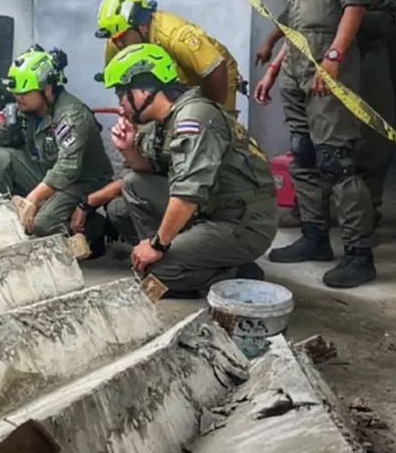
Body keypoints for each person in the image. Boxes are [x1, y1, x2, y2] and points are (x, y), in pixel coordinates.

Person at [249, 0, 376, 288]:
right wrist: (273, 68)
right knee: (303, 154)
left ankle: (359, 254)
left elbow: (354, 5)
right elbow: (297, 25)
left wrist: (336, 57)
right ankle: (314, 236)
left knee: (336, 160)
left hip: (326, 64)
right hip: (298, 66)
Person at [253, 0, 396, 229]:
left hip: (361, 59)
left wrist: (338, 40)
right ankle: (316, 227)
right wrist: (275, 57)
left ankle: (363, 229)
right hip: (313, 62)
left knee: (358, 152)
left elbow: (385, 15)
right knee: (308, 150)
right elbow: (300, 16)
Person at [96, 43, 276, 297]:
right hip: (210, 207)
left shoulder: (194, 117)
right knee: (129, 191)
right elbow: (152, 170)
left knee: (157, 275)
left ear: (143, 90)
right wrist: (128, 149)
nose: (120, 105)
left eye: (121, 95)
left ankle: (233, 272)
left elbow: (188, 193)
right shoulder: (166, 119)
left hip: (240, 221)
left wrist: (158, 244)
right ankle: (173, 255)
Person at [0, 46, 113, 244]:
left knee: (40, 224)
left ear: (46, 89)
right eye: (17, 92)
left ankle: (90, 229)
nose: (18, 97)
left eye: (24, 92)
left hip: (81, 181)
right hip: (47, 172)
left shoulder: (71, 116)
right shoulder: (22, 109)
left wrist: (32, 199)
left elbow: (67, 169)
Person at [95, 0, 243, 112]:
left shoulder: (175, 35)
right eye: (113, 38)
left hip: (214, 74)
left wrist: (211, 114)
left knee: (214, 130)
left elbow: (215, 69)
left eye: (122, 37)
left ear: (142, 26)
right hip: (175, 82)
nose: (117, 43)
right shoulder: (117, 41)